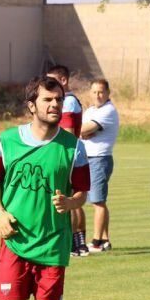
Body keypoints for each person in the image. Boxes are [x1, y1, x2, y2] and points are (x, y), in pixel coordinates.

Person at [0, 75, 90, 300]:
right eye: (48, 100)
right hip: (16, 241)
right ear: (31, 105)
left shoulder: (74, 148)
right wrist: (0, 214)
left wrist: (70, 201)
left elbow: (83, 192)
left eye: (59, 99)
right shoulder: (7, 141)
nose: (55, 105)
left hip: (53, 245)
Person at [46, 65, 88, 257]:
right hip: (72, 153)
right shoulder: (69, 101)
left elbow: (69, 132)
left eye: (53, 81)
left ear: (63, 80)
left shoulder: (68, 102)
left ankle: (75, 243)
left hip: (68, 156)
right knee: (73, 199)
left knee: (71, 200)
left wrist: (63, 155)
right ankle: (79, 243)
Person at [79, 79, 119, 253]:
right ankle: (104, 240)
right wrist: (85, 132)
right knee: (98, 201)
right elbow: (84, 132)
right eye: (94, 92)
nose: (97, 95)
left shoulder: (108, 111)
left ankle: (96, 242)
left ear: (108, 93)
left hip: (99, 159)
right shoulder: (90, 110)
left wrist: (85, 132)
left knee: (98, 201)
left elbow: (83, 129)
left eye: (101, 92)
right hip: (89, 158)